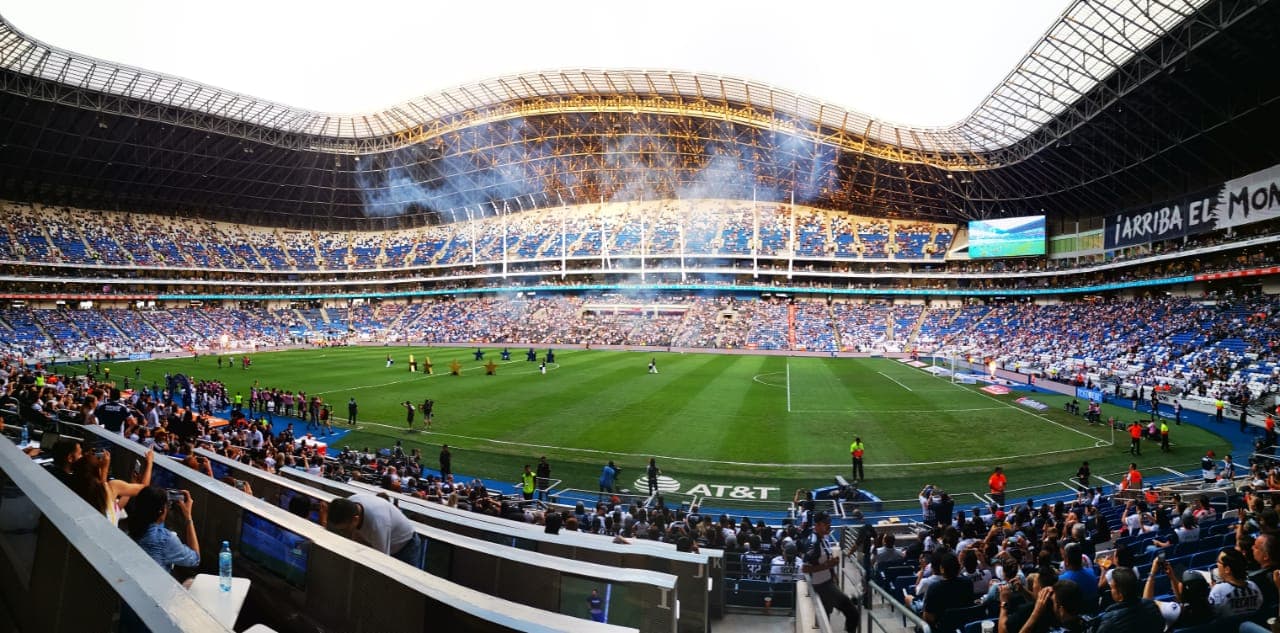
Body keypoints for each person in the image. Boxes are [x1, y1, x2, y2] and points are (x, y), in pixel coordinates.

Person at [327, 494, 422, 568]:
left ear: (355, 519)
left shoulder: (378, 524)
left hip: (406, 546)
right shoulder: (350, 503)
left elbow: (382, 563)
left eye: (345, 529)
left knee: (406, 584)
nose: (343, 533)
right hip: (384, 541)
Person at [801, 511, 858, 632]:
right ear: (817, 525)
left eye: (830, 523)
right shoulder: (813, 543)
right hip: (822, 586)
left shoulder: (823, 538)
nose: (829, 526)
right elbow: (804, 568)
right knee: (852, 613)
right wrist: (828, 565)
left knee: (826, 616)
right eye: (826, 523)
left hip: (828, 582)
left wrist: (833, 572)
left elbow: (824, 561)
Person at [70, 447, 154, 524]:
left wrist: (132, 485)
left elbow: (113, 509)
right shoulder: (111, 487)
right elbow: (145, 489)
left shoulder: (80, 488)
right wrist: (150, 463)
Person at [127, 486, 200, 575]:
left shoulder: (130, 526)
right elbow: (195, 559)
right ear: (161, 511)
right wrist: (188, 517)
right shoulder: (166, 540)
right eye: (167, 506)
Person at [1095, 567, 1163, 633]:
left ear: (1120, 594)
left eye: (1112, 588)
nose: (1111, 591)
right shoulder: (1152, 606)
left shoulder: (1110, 620)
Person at [1208, 547, 1262, 617]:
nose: (1217, 564)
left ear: (1227, 569)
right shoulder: (1254, 586)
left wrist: (1212, 590)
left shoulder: (1219, 590)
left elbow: (1213, 613)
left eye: (1218, 562)